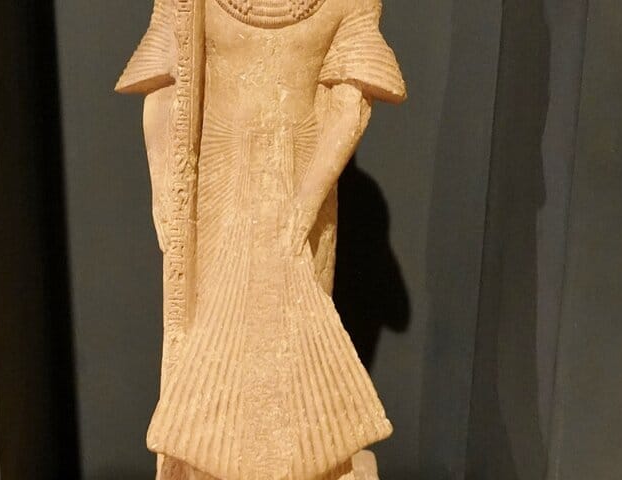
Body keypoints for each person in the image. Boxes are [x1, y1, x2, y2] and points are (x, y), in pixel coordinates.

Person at [116, 0, 406, 477]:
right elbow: (167, 86)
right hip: (215, 177)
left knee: (294, 322)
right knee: (213, 321)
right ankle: (207, 461)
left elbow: (351, 102)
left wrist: (307, 201)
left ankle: (302, 462)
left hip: (302, 173)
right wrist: (164, 186)